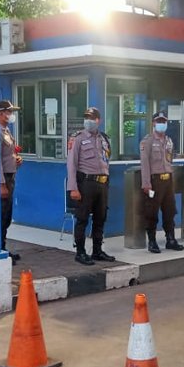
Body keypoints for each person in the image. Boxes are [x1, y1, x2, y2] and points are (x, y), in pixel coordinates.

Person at [67, 107, 115, 265]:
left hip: (102, 183)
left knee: (101, 218)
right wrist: (73, 188)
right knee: (82, 219)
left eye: (91, 118)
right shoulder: (78, 138)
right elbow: (71, 164)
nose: (88, 121)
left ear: (98, 120)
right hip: (85, 183)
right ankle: (80, 252)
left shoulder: (104, 139)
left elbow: (107, 160)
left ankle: (97, 251)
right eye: (86, 117)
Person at [139, 111, 184, 253]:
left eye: (164, 121)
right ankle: (152, 241)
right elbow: (144, 164)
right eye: (159, 121)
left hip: (168, 181)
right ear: (153, 123)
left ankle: (170, 239)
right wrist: (146, 183)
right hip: (154, 181)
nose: (161, 124)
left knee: (170, 211)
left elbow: (170, 161)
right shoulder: (147, 141)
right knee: (152, 212)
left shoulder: (169, 141)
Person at [0, 99, 23, 262]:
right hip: (3, 180)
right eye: (9, 112)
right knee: (1, 215)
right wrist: (1, 184)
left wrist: (16, 160)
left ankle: (2, 247)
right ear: (1, 114)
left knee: (7, 215)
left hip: (11, 176)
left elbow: (7, 155)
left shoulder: (6, 131)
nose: (12, 115)